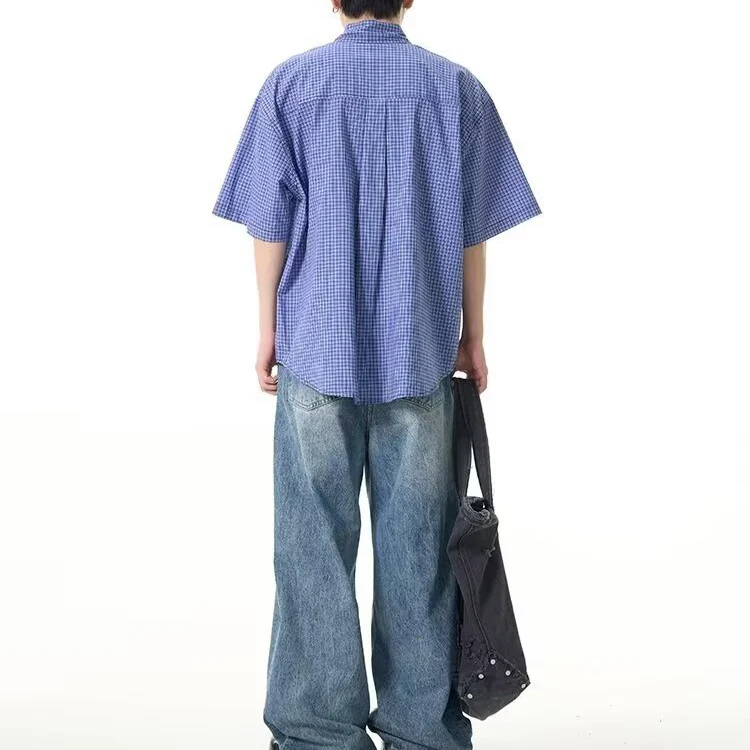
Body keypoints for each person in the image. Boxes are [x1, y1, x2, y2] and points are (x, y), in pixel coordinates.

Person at [212, 1, 540, 748]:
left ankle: (315, 733)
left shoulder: (292, 84)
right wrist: (472, 334)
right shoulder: (454, 88)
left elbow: (269, 223)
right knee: (421, 553)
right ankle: (422, 732)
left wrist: (268, 328)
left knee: (311, 551)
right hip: (419, 353)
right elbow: (472, 230)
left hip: (314, 355)